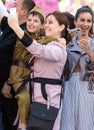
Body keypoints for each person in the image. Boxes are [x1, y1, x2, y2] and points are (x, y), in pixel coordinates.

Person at [8, 10, 71, 130]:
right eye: (46, 22)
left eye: (50, 22)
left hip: (46, 103)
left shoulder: (58, 49)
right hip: (37, 102)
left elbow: (38, 50)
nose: (46, 25)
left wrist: (16, 27)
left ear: (61, 27)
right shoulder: (51, 45)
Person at [7, 6, 45, 129]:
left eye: (35, 21)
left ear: (42, 25)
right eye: (29, 20)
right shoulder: (23, 36)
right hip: (17, 74)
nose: (31, 23)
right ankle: (23, 126)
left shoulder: (42, 38)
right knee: (24, 98)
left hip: (31, 76)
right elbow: (35, 45)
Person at [0, 0, 35, 130]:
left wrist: (8, 83)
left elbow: (21, 62)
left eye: (16, 6)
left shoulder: (24, 32)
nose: (12, 7)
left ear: (24, 12)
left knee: (11, 123)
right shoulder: (11, 23)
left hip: (11, 87)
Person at [60, 6, 94, 130]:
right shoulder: (68, 42)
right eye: (82, 20)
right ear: (75, 21)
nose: (85, 24)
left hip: (88, 87)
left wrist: (90, 53)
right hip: (68, 86)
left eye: (89, 21)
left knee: (85, 123)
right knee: (67, 123)